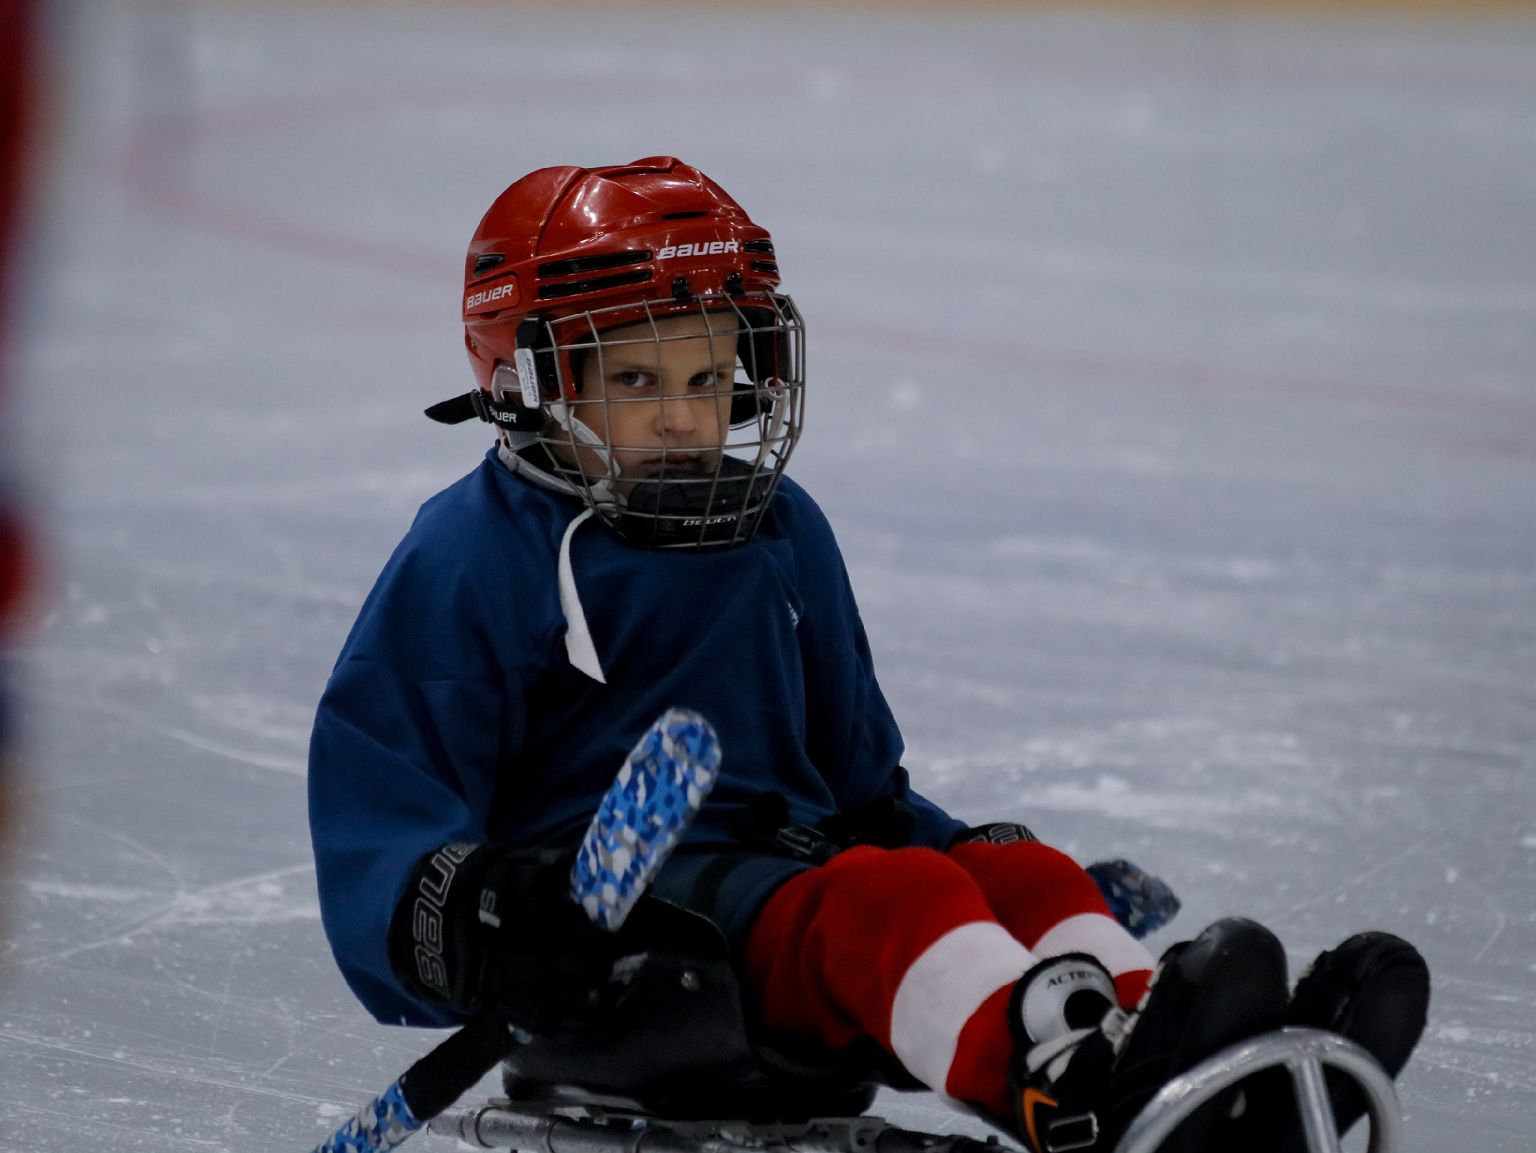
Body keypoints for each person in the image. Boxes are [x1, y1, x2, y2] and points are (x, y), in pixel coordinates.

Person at [308, 157, 1428, 1153]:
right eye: (636, 382)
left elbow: (859, 790)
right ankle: (1073, 1093)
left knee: (1014, 869)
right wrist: (484, 918)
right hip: (618, 953)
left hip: (787, 892)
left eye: (707, 379)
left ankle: (1178, 1066)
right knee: (894, 897)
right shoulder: (474, 552)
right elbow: (381, 800)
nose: (686, 421)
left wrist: (970, 854)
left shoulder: (780, 529)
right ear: (528, 381)